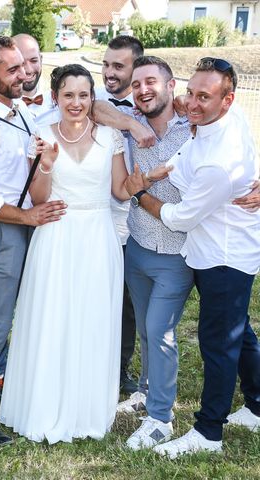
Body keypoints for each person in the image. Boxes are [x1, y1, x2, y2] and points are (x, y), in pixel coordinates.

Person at [125, 58, 260, 458]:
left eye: (205, 96)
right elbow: (185, 158)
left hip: (224, 257)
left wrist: (138, 193)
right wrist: (153, 175)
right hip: (205, 251)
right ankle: (256, 404)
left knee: (218, 342)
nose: (193, 104)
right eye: (191, 93)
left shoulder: (220, 161)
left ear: (228, 99)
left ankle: (208, 433)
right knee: (239, 332)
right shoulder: (217, 126)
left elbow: (178, 217)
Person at [0, 64, 130, 443]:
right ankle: (44, 403)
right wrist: (47, 165)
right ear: (56, 97)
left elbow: (120, 190)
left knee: (92, 316)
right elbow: (38, 199)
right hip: (56, 235)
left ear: (93, 98)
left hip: (98, 236)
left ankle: (85, 406)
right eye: (68, 95)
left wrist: (144, 182)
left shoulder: (110, 138)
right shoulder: (40, 135)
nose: (76, 102)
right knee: (53, 314)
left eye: (84, 95)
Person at [0, 36, 66, 446]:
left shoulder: (19, 110)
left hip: (25, 224)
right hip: (0, 228)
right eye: (12, 70)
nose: (24, 74)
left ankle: (8, 387)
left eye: (24, 66)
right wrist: (28, 217)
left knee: (26, 316)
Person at [115, 56, 194, 449]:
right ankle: (145, 391)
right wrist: (129, 121)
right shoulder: (129, 125)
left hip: (178, 253)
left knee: (160, 331)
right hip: (139, 245)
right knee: (146, 327)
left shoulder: (194, 127)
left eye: (151, 82)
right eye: (136, 84)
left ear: (171, 85)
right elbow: (94, 104)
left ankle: (161, 418)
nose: (143, 90)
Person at [97, 35, 146, 395]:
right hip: (100, 215)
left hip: (139, 220)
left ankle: (120, 368)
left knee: (128, 302)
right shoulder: (96, 103)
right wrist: (130, 124)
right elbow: (97, 111)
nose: (109, 73)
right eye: (106, 64)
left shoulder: (149, 102)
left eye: (119, 66)